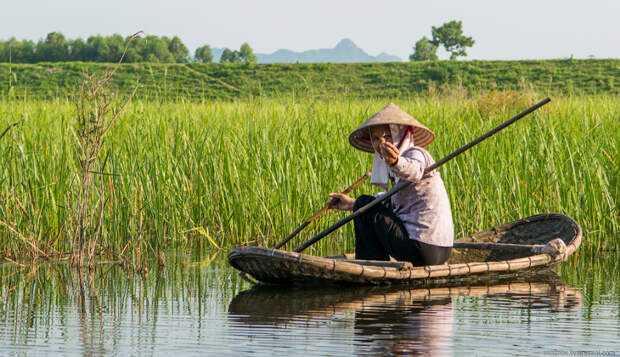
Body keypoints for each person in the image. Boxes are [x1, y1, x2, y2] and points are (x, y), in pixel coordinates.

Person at [327, 103, 453, 266]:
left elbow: (414, 171)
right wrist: (351, 204)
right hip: (437, 250)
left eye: (387, 137)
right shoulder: (396, 172)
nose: (382, 144)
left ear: (400, 135)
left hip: (423, 246)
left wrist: (396, 162)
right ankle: (374, 264)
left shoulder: (416, 154)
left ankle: (371, 267)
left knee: (364, 203)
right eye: (376, 139)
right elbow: (388, 201)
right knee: (363, 204)